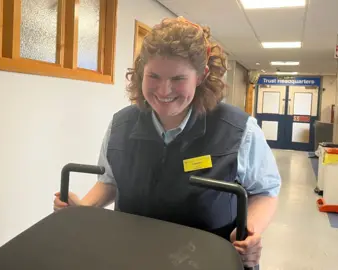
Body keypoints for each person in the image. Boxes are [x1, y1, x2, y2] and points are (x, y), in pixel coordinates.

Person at [54, 17, 281, 268]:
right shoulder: (121, 125)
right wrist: (83, 208)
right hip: (135, 257)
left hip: (210, 260)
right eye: (154, 76)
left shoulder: (238, 130)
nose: (163, 90)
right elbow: (111, 180)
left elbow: (265, 191)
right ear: (141, 71)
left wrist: (248, 232)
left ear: (201, 76)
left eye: (178, 79)